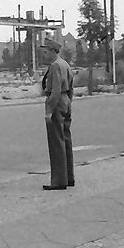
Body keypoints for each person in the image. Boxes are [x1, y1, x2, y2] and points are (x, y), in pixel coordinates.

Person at [39, 38, 74, 190]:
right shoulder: (65, 64)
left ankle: (59, 180)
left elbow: (55, 91)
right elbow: (71, 87)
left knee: (56, 142)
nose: (44, 55)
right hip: (65, 101)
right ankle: (69, 177)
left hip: (57, 102)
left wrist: (49, 111)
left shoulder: (55, 66)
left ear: (53, 51)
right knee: (66, 140)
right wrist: (68, 102)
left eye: (46, 52)